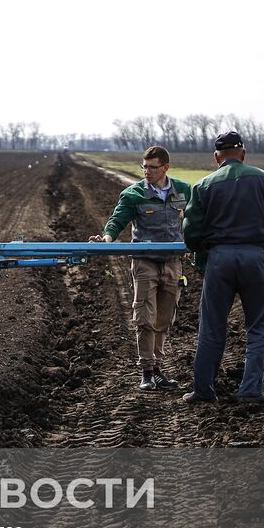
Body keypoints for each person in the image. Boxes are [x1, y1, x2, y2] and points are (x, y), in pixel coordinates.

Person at [181, 131, 264, 405]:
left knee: (212, 326)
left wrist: (201, 247)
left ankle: (203, 390)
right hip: (254, 256)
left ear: (216, 157)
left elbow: (191, 230)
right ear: (243, 153)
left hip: (219, 260)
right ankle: (251, 390)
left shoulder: (204, 185)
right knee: (259, 325)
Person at [90, 145, 192, 392]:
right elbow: (117, 221)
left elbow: (196, 218)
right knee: (145, 318)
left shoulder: (184, 190)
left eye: (152, 167)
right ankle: (146, 372)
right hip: (145, 261)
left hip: (173, 262)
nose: (147, 171)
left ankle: (158, 369)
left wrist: (195, 241)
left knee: (164, 319)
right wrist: (106, 239)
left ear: (165, 167)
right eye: (144, 167)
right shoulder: (133, 194)